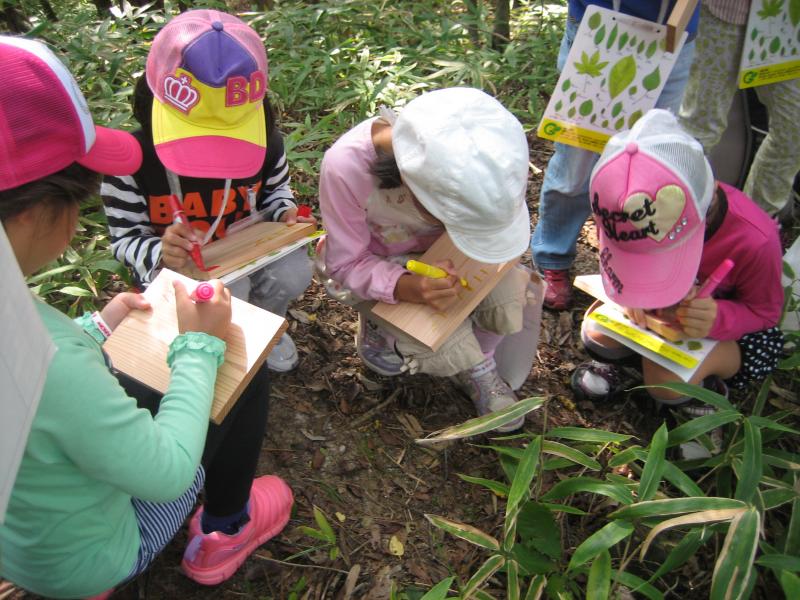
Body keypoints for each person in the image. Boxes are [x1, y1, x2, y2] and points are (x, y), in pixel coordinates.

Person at [0, 36, 293, 598]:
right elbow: (165, 473)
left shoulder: (32, 335)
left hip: (28, 535)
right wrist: (201, 347)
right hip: (93, 552)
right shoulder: (49, 363)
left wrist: (97, 327)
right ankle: (225, 528)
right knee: (243, 372)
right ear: (36, 212)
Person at [101, 9, 315, 372]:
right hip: (181, 270)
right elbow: (125, 239)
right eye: (198, 139)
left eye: (229, 138)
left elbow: (277, 193)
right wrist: (162, 252)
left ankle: (265, 327)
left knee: (292, 273)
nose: (215, 156)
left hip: (245, 249)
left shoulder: (267, 144)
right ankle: (222, 340)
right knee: (229, 294)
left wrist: (285, 213)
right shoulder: (130, 161)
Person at [317, 87, 535, 432]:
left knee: (506, 294)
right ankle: (380, 328)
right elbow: (345, 264)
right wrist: (407, 287)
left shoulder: (485, 148)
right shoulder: (346, 168)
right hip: (381, 262)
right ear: (409, 184)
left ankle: (482, 364)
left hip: (448, 254)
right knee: (439, 340)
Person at [570, 109, 784, 415]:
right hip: (659, 321)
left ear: (704, 213)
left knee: (666, 382)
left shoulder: (755, 240)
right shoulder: (621, 203)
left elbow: (764, 312)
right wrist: (632, 291)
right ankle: (630, 364)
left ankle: (700, 396)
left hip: (726, 329)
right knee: (596, 331)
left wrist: (718, 318)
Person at [532, 0, 700, 310]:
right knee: (575, 167)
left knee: (650, 164)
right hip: (602, 27)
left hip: (673, 37)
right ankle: (553, 257)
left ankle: (636, 270)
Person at [679, 0, 800, 220]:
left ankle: (751, 227)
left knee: (794, 131)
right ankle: (675, 224)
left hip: (787, 19)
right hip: (726, 11)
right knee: (700, 128)